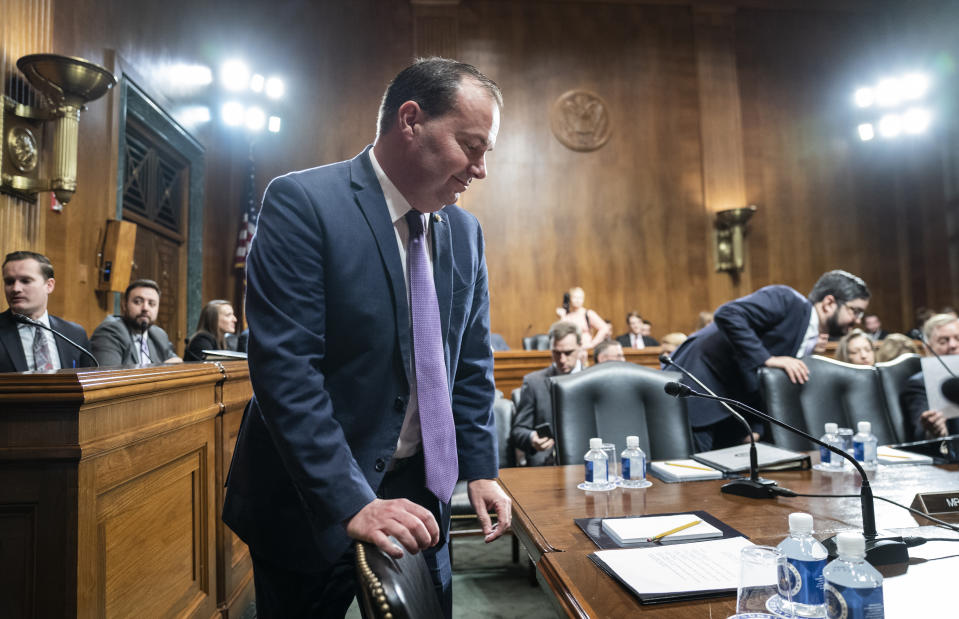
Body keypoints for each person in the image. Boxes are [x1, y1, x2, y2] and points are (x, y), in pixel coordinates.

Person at [221, 58, 509, 618]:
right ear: (410, 120)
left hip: (421, 490)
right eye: (471, 146)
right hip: (309, 496)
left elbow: (468, 364)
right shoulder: (304, 202)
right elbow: (286, 373)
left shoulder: (466, 233)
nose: (480, 170)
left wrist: (480, 469)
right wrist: (351, 501)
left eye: (485, 153)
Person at [668, 270, 870, 451]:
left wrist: (756, 425)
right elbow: (728, 314)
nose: (858, 320)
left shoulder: (811, 335)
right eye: (855, 311)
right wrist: (767, 359)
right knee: (696, 482)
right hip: (699, 392)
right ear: (829, 303)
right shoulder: (786, 299)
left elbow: (760, 377)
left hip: (730, 410)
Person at [0, 251, 93, 372]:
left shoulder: (74, 334)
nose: (15, 289)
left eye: (25, 281)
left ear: (49, 285)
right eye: (9, 282)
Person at [511, 321, 582, 467]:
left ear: (580, 348)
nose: (562, 359)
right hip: (546, 464)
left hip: (586, 462)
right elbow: (518, 431)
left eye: (568, 353)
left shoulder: (593, 379)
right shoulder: (534, 382)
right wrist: (532, 438)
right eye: (556, 353)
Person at [90, 279, 182, 367]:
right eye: (138, 302)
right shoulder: (110, 331)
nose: (145, 308)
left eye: (151, 304)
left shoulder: (159, 335)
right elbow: (109, 377)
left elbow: (176, 362)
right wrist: (162, 369)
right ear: (124, 305)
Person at [901, 314, 959, 441]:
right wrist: (936, 431)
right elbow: (922, 433)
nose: (953, 345)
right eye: (943, 341)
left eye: (958, 338)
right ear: (928, 349)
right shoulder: (919, 384)